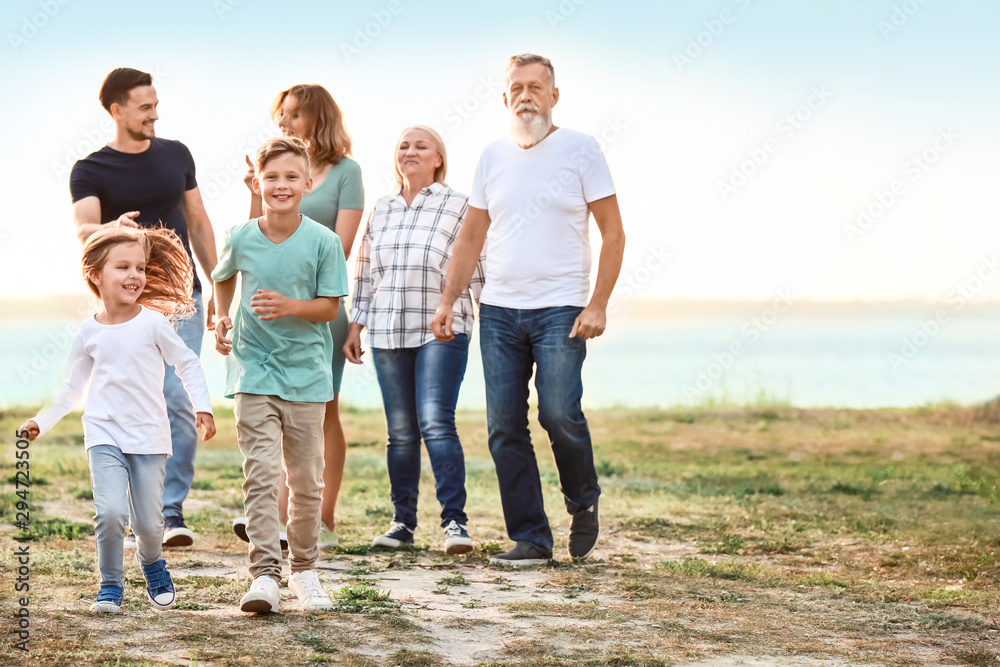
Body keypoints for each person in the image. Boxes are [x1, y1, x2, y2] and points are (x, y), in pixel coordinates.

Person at [431, 54, 626, 565]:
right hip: (498, 310)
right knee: (504, 427)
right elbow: (472, 234)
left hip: (562, 307)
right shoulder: (492, 156)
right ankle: (532, 539)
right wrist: (448, 300)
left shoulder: (582, 150)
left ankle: (583, 499)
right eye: (516, 87)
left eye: (536, 87)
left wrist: (598, 302)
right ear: (504, 98)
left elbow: (613, 232)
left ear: (554, 95)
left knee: (559, 413)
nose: (526, 95)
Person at [18, 226, 216, 614]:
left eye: (140, 267)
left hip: (149, 438)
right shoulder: (88, 331)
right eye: (122, 267)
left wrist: (202, 406)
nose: (135, 275)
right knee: (109, 513)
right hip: (103, 433)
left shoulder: (154, 322)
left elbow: (187, 363)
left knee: (148, 525)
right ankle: (110, 586)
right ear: (96, 275)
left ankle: (152, 562)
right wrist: (42, 420)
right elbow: (72, 390)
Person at [70, 67, 219, 549]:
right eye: (145, 106)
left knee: (177, 399)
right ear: (117, 111)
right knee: (129, 404)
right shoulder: (90, 169)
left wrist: (217, 283)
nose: (155, 113)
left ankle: (169, 510)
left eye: (156, 104)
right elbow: (82, 228)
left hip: (183, 299)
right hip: (123, 307)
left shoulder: (177, 155)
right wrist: (109, 229)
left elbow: (197, 220)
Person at [214, 136, 350, 613]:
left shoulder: (324, 241)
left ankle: (305, 572)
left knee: (306, 479)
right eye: (271, 177)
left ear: (308, 183)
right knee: (261, 473)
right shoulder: (240, 236)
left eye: (292, 177)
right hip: (253, 371)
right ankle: (264, 575)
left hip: (307, 377)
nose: (281, 185)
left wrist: (290, 306)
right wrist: (221, 316)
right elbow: (223, 274)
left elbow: (330, 307)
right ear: (258, 182)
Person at [233, 84, 364, 551]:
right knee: (267, 402)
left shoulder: (347, 172)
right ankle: (277, 513)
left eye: (294, 116)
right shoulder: (271, 171)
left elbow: (341, 247)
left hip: (317, 309)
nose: (285, 124)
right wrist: (256, 186)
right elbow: (252, 236)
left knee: (318, 410)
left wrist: (297, 294)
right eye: (281, 116)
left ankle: (320, 518)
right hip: (265, 312)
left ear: (319, 118)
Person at [344, 125, 483, 555]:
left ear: (438, 158)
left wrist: (486, 315)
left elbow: (477, 265)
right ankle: (402, 523)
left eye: (421, 146)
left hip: (442, 328)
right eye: (403, 145)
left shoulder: (459, 204)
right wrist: (356, 324)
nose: (410, 152)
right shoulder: (381, 208)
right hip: (387, 329)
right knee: (400, 432)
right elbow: (366, 271)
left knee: (436, 422)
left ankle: (454, 523)